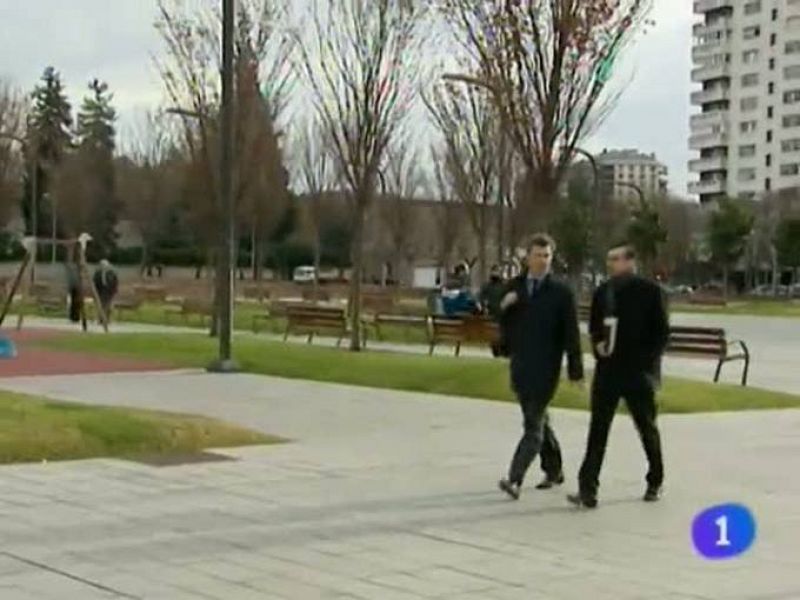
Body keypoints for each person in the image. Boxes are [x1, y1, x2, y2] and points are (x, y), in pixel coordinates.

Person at [568, 241, 669, 509]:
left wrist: (647, 364)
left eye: (615, 259)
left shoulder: (650, 291)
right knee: (598, 430)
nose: (610, 264)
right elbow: (594, 327)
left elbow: (661, 333)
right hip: (608, 371)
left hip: (637, 372)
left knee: (646, 427)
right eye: (609, 259)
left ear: (630, 261)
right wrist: (598, 345)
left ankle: (655, 479)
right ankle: (587, 488)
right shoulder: (604, 291)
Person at [497, 233, 584, 500]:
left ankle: (515, 478)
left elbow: (571, 333)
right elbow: (497, 316)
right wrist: (504, 307)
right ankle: (554, 470)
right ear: (528, 257)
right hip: (521, 365)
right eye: (538, 255)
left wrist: (575, 370)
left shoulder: (561, 293)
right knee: (539, 420)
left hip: (547, 368)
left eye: (547, 256)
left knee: (533, 427)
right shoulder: (515, 287)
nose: (543, 260)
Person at [93, 259, 119, 323]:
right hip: (100, 291)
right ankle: (100, 319)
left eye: (105, 265)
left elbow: (115, 282)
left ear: (108, 265)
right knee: (101, 305)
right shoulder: (98, 273)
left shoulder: (112, 273)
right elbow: (94, 282)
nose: (103, 266)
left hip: (109, 291)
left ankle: (107, 319)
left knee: (108, 305)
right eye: (102, 265)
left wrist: (114, 290)